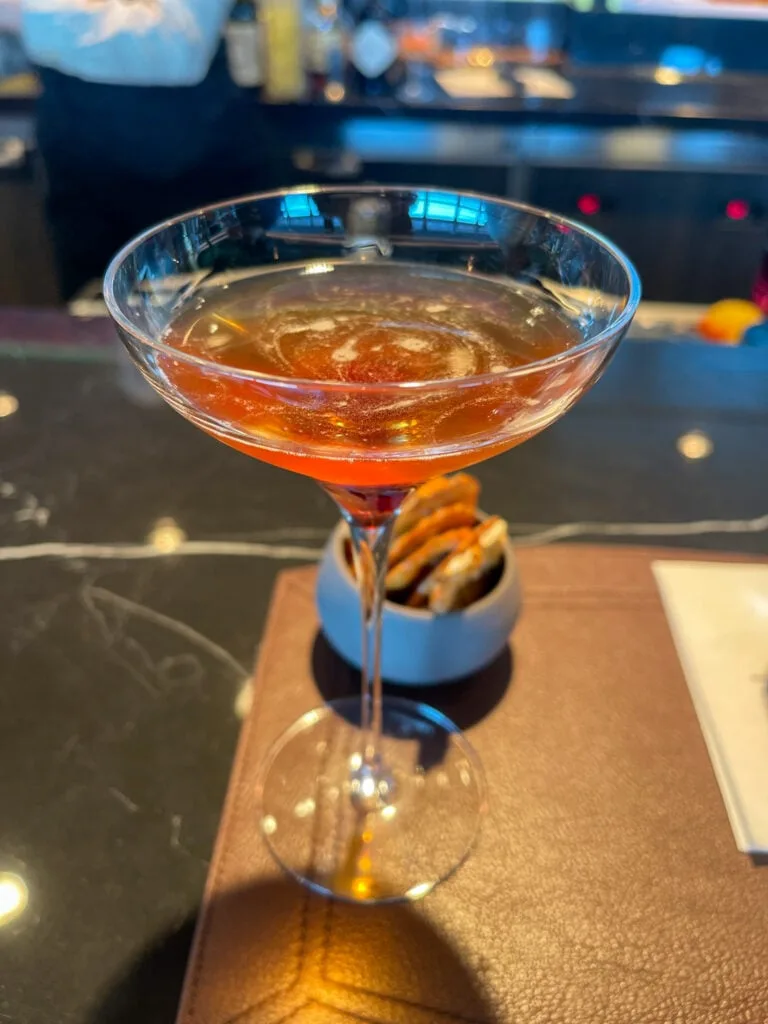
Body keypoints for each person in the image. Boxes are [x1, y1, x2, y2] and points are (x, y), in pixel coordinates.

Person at [0, 1, 283, 298]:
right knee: (95, 310)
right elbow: (27, 51)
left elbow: (179, 45)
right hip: (80, 172)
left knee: (226, 313)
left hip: (192, 177)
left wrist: (19, 12)